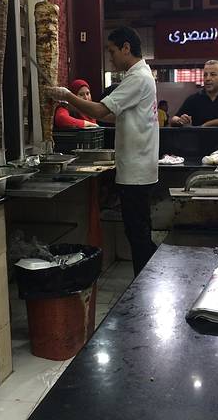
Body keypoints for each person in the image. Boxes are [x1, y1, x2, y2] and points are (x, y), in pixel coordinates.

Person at [47, 26, 159, 276]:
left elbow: (99, 110)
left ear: (126, 48)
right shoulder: (140, 75)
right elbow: (110, 114)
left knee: (138, 234)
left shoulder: (138, 78)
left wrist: (67, 95)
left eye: (112, 51)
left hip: (137, 171)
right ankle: (146, 282)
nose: (110, 57)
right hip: (138, 168)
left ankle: (146, 285)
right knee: (138, 232)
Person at [170, 60, 218, 127]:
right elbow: (174, 119)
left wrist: (207, 124)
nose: (207, 78)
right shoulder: (194, 99)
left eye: (213, 75)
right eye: (205, 75)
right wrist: (180, 120)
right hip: (200, 137)